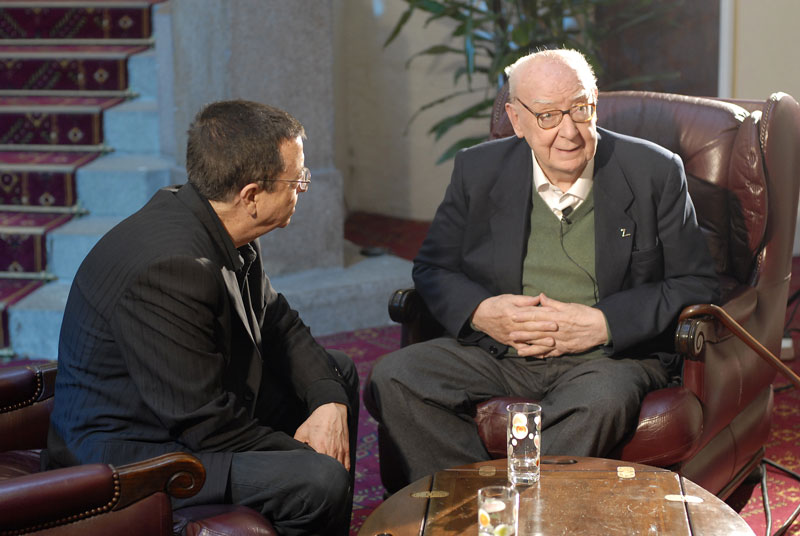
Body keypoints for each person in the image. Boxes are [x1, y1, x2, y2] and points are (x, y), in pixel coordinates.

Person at [367, 49, 719, 491]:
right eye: (549, 116)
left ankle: (527, 513)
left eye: (580, 109)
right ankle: (475, 506)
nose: (569, 131)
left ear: (595, 103)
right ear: (516, 120)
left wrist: (606, 323)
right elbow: (433, 267)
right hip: (500, 352)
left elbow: (697, 282)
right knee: (396, 376)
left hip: (606, 360)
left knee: (601, 401)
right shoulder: (478, 170)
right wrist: (482, 311)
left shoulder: (654, 171)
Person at [46, 100, 359, 535]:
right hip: (135, 455)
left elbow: (279, 324)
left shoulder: (221, 220)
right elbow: (205, 423)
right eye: (297, 180)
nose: (302, 187)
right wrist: (307, 455)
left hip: (186, 408)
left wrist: (328, 401)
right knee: (320, 479)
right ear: (251, 195)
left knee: (335, 377)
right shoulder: (171, 267)